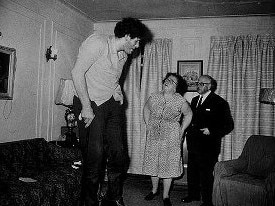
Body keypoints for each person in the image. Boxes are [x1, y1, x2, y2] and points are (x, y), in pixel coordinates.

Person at [71, 17, 148, 206]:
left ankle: (112, 197)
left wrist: (118, 91)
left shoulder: (123, 55)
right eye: (136, 41)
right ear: (127, 36)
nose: (137, 46)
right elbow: (76, 73)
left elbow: (112, 78)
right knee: (94, 158)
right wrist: (87, 107)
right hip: (90, 103)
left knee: (120, 155)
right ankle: (88, 202)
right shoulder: (97, 43)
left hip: (110, 104)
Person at [181, 75, 234, 206]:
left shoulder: (219, 102)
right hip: (193, 143)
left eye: (201, 84)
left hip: (208, 146)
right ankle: (193, 195)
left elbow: (229, 125)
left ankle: (207, 201)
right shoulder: (194, 100)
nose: (197, 86)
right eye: (197, 83)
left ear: (209, 86)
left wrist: (212, 130)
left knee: (206, 175)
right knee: (192, 172)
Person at [142, 73, 193, 206]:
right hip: (154, 134)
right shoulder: (154, 96)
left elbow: (189, 114)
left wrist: (181, 130)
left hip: (171, 136)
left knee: (168, 165)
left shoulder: (180, 101)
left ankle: (165, 196)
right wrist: (148, 124)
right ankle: (154, 191)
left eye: (171, 81)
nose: (167, 81)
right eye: (167, 79)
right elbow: (146, 109)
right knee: (153, 162)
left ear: (176, 88)